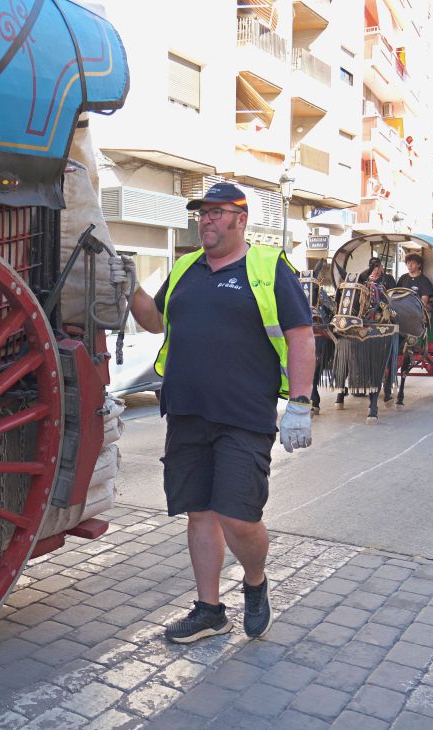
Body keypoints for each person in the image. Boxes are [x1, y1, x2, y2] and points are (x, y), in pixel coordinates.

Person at [110, 182, 315, 644]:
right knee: (199, 513)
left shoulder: (267, 267)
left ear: (241, 220)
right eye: (202, 212)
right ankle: (209, 611)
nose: (206, 219)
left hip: (244, 415)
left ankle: (255, 581)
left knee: (237, 516)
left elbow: (300, 335)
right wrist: (130, 288)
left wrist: (300, 404)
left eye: (216, 212)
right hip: (187, 411)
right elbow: (155, 320)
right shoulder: (186, 267)